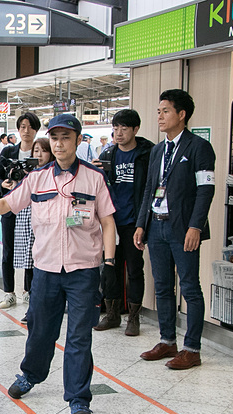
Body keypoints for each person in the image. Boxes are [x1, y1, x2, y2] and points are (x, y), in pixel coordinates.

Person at [0, 114, 116, 414]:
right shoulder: (37, 178)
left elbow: (108, 221)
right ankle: (30, 375)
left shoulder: (93, 178)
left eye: (66, 138)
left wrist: (110, 263)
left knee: (78, 336)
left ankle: (78, 398)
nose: (60, 144)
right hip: (46, 269)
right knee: (40, 330)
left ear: (77, 140)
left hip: (83, 270)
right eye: (55, 138)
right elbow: (7, 204)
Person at [134, 89, 215, 370]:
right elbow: (148, 189)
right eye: (158, 111)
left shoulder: (198, 147)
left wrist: (196, 226)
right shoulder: (157, 150)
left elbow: (206, 190)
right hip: (156, 227)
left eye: (165, 111)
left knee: (190, 289)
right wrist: (141, 224)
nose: (159, 116)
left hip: (183, 229)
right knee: (163, 287)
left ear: (181, 115)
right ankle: (168, 341)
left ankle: (192, 349)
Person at [93, 109, 154, 336]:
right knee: (110, 269)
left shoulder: (146, 154)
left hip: (134, 222)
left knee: (135, 269)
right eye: (115, 128)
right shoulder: (108, 155)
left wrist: (143, 223)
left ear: (135, 130)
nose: (118, 133)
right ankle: (112, 314)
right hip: (110, 223)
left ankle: (134, 317)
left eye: (124, 128)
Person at [0, 112, 41, 309]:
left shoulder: (41, 152)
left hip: (34, 208)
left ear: (36, 130)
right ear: (18, 130)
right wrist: (4, 183)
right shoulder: (8, 153)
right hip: (10, 206)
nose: (26, 131)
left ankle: (29, 291)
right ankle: (9, 292)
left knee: (32, 249)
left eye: (30, 127)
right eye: (22, 127)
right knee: (8, 248)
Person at [14, 137, 53, 324]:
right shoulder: (28, 175)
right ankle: (32, 308)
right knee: (30, 264)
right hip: (28, 222)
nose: (38, 155)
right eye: (35, 151)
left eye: (43, 151)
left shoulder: (54, 174)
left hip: (48, 230)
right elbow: (11, 200)